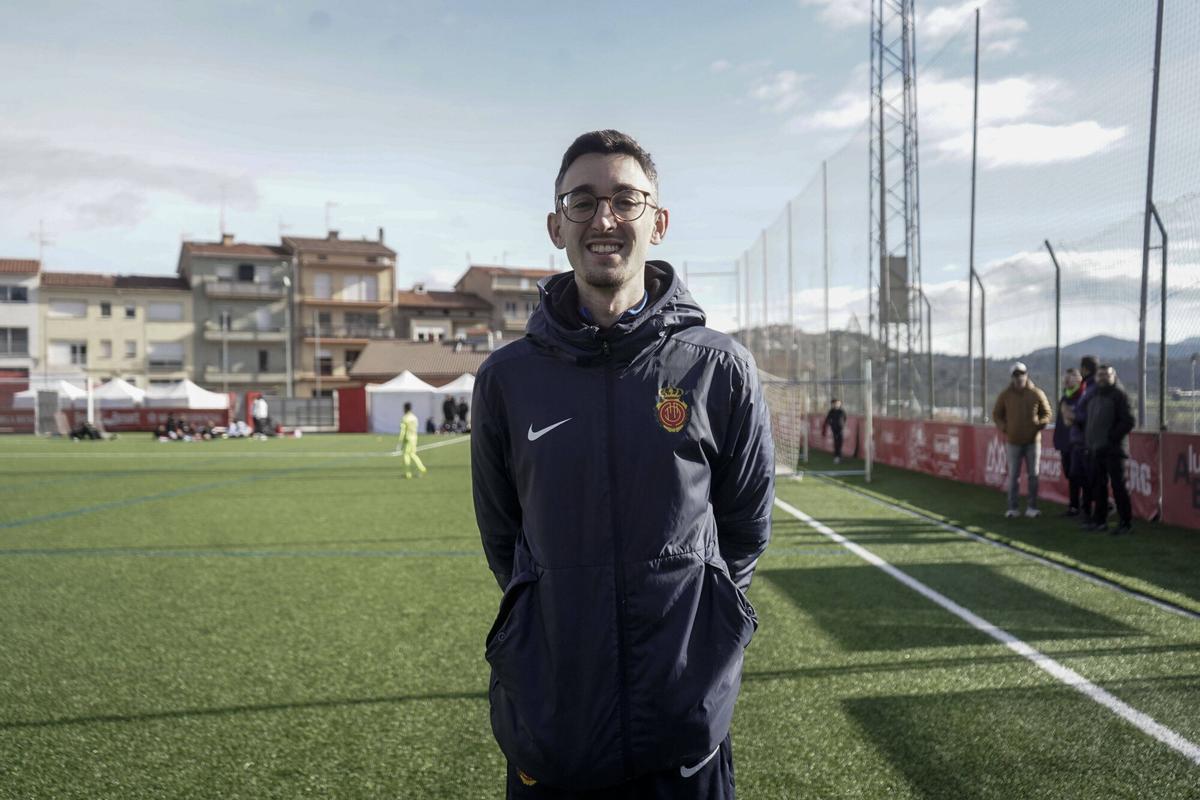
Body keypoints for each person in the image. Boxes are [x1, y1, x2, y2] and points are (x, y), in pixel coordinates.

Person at [471, 129, 774, 798]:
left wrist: (705, 634)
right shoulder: (507, 379)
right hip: (553, 732)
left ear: (657, 222)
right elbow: (503, 539)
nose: (604, 218)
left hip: (682, 735)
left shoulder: (718, 368)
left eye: (625, 200)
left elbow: (745, 531)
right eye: (582, 201)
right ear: (557, 225)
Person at [991, 361, 1052, 518]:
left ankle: (1032, 507)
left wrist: (1039, 424)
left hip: (1033, 441)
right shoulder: (1005, 395)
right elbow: (997, 414)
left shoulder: (1036, 393)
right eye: (1016, 375)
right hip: (1013, 442)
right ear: (1012, 377)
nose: (1019, 378)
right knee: (1013, 476)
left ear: (1026, 375)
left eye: (1021, 374)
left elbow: (1047, 413)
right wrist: (1005, 428)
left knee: (1033, 475)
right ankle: (1013, 508)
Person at [1083, 365, 1135, 534]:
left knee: (1118, 486)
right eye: (1100, 375)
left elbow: (1128, 421)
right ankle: (1100, 520)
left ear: (1114, 376)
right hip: (1095, 449)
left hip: (1113, 450)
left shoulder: (1119, 395)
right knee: (1098, 487)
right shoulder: (1094, 395)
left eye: (1107, 374)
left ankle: (1125, 523)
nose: (1103, 377)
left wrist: (1111, 438)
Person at [1070, 355, 1100, 525]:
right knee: (1078, 475)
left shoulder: (1093, 388)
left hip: (1086, 440)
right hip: (1080, 440)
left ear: (1084, 369)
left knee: (1088, 477)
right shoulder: (1088, 386)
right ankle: (1086, 510)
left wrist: (1074, 416)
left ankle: (1091, 512)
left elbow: (1089, 414)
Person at [1053, 368, 1085, 516]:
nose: (1067, 380)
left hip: (1077, 443)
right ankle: (1075, 505)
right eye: (1065, 377)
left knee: (1076, 474)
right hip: (1064, 443)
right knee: (1069, 473)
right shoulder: (1065, 397)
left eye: (1071, 377)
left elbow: (1080, 419)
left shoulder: (1082, 396)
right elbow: (1061, 422)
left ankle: (1076, 506)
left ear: (1079, 379)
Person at [397, 401, 426, 479]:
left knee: (406, 455)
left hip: (407, 438)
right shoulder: (414, 417)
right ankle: (422, 468)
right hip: (414, 437)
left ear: (405, 408)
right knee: (413, 454)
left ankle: (408, 473)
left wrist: (400, 441)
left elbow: (402, 431)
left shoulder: (405, 418)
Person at [823, 398, 847, 464]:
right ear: (833, 404)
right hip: (834, 429)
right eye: (836, 403)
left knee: (840, 442)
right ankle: (837, 456)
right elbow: (827, 419)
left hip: (840, 429)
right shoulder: (831, 411)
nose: (837, 404)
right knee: (836, 443)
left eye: (839, 403)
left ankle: (838, 456)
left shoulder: (841, 411)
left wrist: (842, 424)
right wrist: (830, 424)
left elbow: (845, 418)